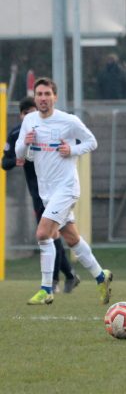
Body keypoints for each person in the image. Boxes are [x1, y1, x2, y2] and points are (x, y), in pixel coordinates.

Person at [15, 77, 112, 305]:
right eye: (39, 94)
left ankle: (46, 289)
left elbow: (92, 142)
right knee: (71, 238)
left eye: (47, 94)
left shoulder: (68, 121)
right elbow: (20, 154)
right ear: (35, 97)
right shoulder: (29, 120)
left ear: (54, 97)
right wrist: (26, 143)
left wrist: (72, 150)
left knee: (42, 234)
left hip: (67, 188)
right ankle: (101, 276)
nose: (43, 98)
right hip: (46, 191)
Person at [3, 97, 80, 294]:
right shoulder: (15, 135)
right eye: (27, 113)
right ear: (21, 116)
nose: (31, 117)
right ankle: (69, 275)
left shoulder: (48, 129)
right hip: (37, 192)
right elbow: (6, 161)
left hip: (56, 189)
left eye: (34, 112)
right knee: (52, 234)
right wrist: (16, 161)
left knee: (51, 234)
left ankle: (54, 281)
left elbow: (74, 143)